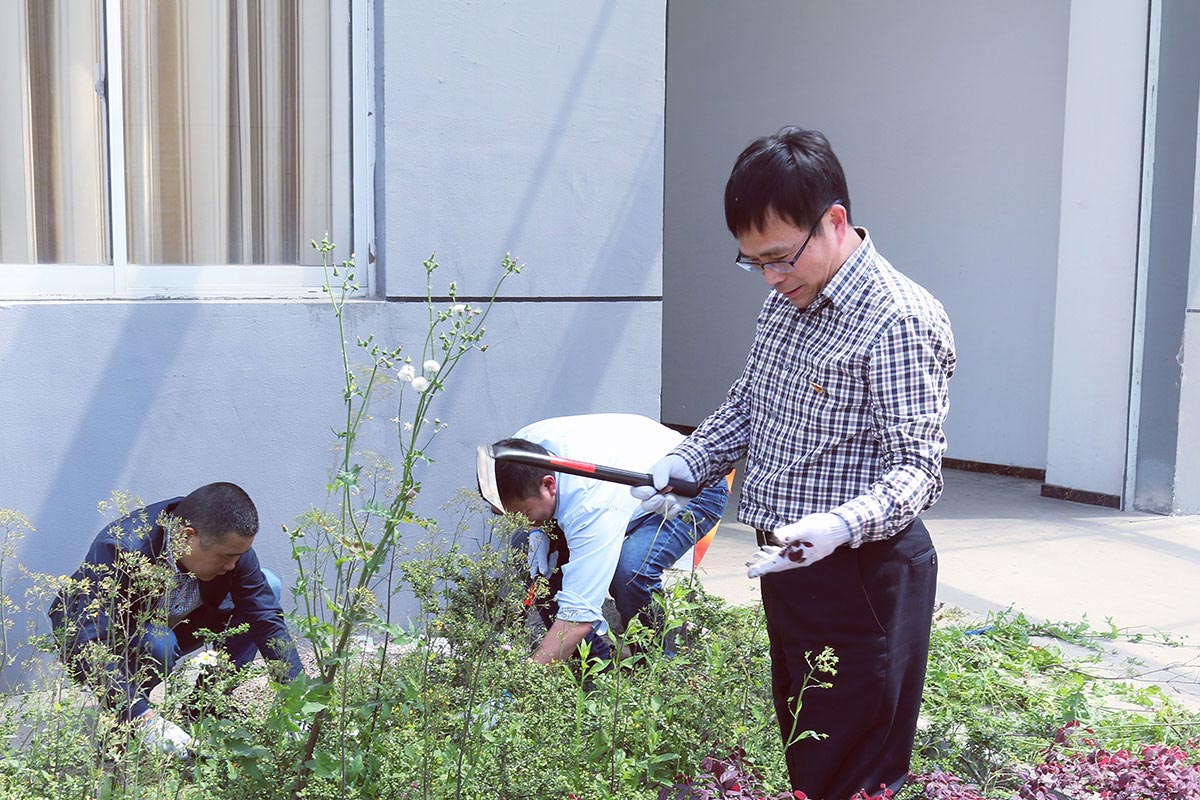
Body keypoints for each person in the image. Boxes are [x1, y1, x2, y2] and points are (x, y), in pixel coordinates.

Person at [634, 128, 955, 799]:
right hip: (792, 567)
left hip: (864, 576)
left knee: (854, 774)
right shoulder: (786, 300)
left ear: (833, 221)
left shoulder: (896, 318)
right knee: (811, 757)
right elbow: (750, 403)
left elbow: (917, 471)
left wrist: (837, 526)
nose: (772, 279)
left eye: (780, 258)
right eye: (754, 264)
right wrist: (685, 459)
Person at [49, 481, 304, 760]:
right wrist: (142, 719)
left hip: (187, 620)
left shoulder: (228, 545)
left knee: (270, 584)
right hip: (128, 634)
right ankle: (125, 720)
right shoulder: (123, 548)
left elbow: (265, 616)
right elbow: (86, 637)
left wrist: (297, 696)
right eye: (227, 557)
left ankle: (205, 708)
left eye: (239, 556)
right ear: (186, 536)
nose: (233, 565)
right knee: (158, 643)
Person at [478, 413, 729, 665]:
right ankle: (596, 667)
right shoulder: (519, 451)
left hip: (691, 485)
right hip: (631, 475)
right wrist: (535, 531)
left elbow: (577, 617)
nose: (521, 522)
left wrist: (523, 680)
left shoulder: (590, 508)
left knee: (631, 572)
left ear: (549, 485)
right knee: (530, 554)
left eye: (524, 514)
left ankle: (654, 667)